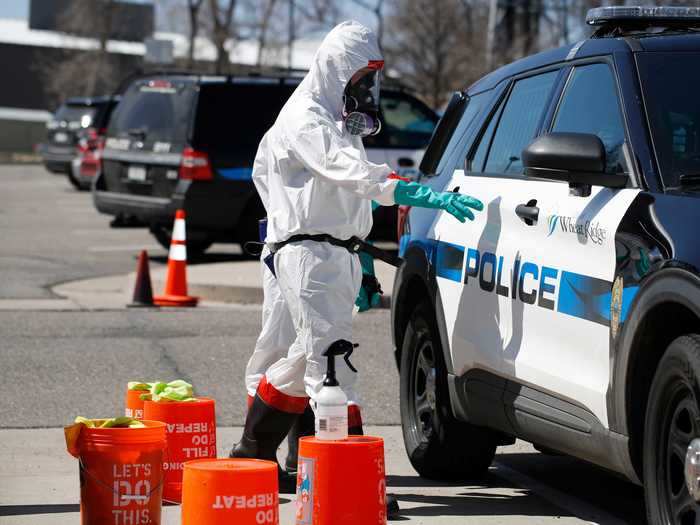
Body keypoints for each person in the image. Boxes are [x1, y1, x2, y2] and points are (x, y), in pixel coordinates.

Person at [231, 21, 483, 498]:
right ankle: (348, 481)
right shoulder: (305, 118)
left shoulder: (338, 119)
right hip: (306, 253)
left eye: (371, 78)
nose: (367, 88)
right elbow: (353, 175)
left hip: (331, 252)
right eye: (361, 76)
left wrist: (364, 264)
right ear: (336, 69)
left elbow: (350, 196)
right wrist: (414, 192)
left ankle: (254, 449)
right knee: (331, 362)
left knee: (305, 354)